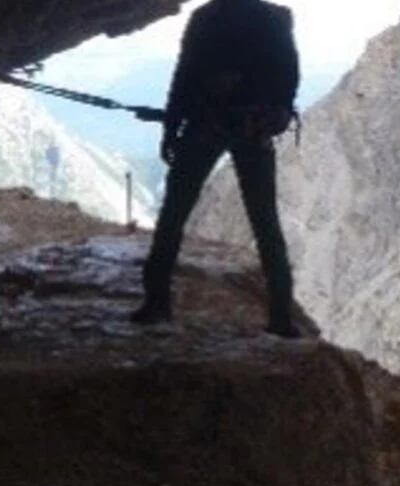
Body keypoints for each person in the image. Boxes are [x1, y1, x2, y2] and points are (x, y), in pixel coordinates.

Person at [130, 0, 303, 338]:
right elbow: (289, 76)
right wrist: (275, 111)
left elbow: (184, 75)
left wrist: (171, 128)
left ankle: (157, 301)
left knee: (174, 214)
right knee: (265, 221)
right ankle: (281, 316)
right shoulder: (274, 19)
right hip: (254, 127)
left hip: (206, 125)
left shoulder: (206, 18)